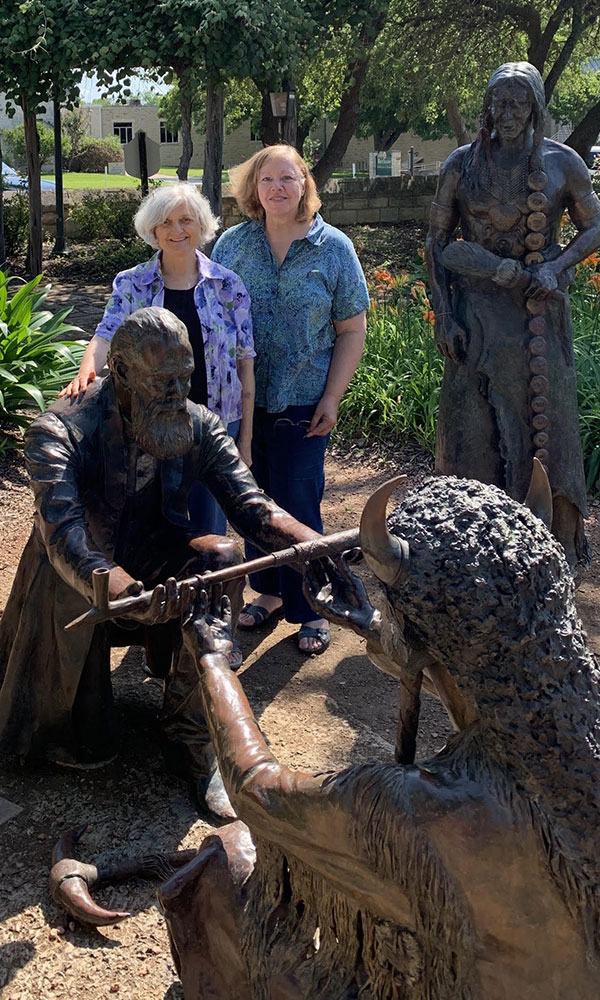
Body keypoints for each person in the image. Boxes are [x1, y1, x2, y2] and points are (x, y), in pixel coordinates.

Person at [156, 472, 600, 999]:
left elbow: (257, 787)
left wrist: (212, 658)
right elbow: (477, 670)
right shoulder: (569, 718)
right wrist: (374, 623)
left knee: (233, 858)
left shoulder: (422, 805)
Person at [0, 307, 328, 818]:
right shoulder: (59, 431)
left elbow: (251, 505)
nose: (178, 392)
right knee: (87, 743)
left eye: (185, 377)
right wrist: (116, 585)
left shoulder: (197, 424)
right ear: (123, 373)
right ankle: (61, 722)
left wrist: (315, 551)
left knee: (221, 558)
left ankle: (189, 734)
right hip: (78, 574)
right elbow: (63, 531)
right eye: (163, 380)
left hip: (152, 555)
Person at [426, 61, 600, 572]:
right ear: (487, 106)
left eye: (518, 103)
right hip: (474, 315)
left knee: (544, 433)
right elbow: (437, 243)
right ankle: (468, 551)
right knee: (470, 434)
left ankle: (546, 551)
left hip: (536, 319)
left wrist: (559, 263)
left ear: (535, 108)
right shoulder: (461, 165)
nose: (507, 113)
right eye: (498, 102)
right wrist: (443, 315)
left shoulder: (563, 163)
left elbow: (595, 227)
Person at [211, 144, 369, 653]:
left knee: (299, 501)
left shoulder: (334, 249)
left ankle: (313, 609)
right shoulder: (233, 246)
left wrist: (333, 396)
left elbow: (351, 328)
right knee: (254, 502)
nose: (277, 188)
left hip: (305, 401)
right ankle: (269, 593)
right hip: (242, 404)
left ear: (305, 185)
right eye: (266, 180)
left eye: (288, 178)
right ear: (253, 190)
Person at [60, 182, 255, 536]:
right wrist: (86, 371)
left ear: (202, 225)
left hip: (216, 425)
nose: (176, 230)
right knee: (154, 530)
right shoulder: (132, 284)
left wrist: (245, 442)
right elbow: (106, 335)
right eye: (165, 222)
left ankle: (206, 594)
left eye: (185, 220)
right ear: (152, 230)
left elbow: (245, 364)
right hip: (150, 425)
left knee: (210, 530)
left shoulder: (228, 286)